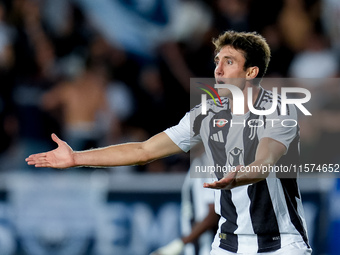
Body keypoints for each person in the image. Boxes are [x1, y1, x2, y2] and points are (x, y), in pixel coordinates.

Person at [26, 30, 312, 254]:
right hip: (228, 245)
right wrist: (77, 158)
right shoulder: (204, 115)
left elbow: (266, 161)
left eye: (229, 62)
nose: (218, 71)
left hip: (281, 245)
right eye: (217, 62)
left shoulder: (279, 109)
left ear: (251, 72)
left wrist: (239, 175)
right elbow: (143, 150)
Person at [150, 153, 219, 255]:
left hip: (206, 247)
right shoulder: (197, 163)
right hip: (196, 247)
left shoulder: (208, 163)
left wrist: (179, 244)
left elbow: (213, 213)